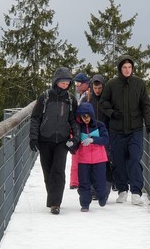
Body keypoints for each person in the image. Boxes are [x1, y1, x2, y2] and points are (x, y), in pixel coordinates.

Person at [99, 54, 150, 206]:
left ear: (133, 68)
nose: (127, 70)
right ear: (120, 68)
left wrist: (149, 124)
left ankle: (136, 192)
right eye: (124, 67)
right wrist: (112, 113)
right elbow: (103, 103)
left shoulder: (139, 84)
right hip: (116, 130)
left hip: (135, 129)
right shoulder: (112, 84)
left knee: (135, 159)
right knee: (118, 161)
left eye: (130, 67)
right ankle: (123, 190)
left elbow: (145, 105)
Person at [29, 67, 80, 215]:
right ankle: (52, 197)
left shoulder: (70, 99)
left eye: (67, 83)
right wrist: (33, 137)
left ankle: (55, 203)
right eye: (62, 82)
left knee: (58, 170)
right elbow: (35, 118)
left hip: (62, 141)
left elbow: (74, 121)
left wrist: (75, 137)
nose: (65, 85)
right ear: (55, 81)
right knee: (48, 170)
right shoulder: (44, 97)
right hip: (45, 139)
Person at [82, 74, 112, 201]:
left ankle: (104, 191)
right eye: (95, 88)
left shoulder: (109, 100)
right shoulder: (87, 100)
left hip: (106, 135)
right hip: (91, 134)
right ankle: (94, 190)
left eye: (100, 88)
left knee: (105, 164)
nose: (97, 90)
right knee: (91, 164)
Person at [76, 102, 109, 212]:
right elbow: (74, 140)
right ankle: (85, 204)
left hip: (99, 159)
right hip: (83, 159)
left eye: (87, 116)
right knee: (84, 182)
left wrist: (93, 140)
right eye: (83, 117)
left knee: (100, 181)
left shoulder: (100, 125)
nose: (85, 119)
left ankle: (102, 196)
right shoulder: (78, 127)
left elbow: (106, 139)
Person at [69, 72, 90, 189]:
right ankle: (75, 181)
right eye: (76, 83)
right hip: (78, 128)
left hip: (84, 128)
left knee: (78, 154)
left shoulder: (88, 96)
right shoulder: (82, 95)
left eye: (79, 83)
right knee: (76, 153)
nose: (77, 86)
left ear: (85, 84)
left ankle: (76, 181)